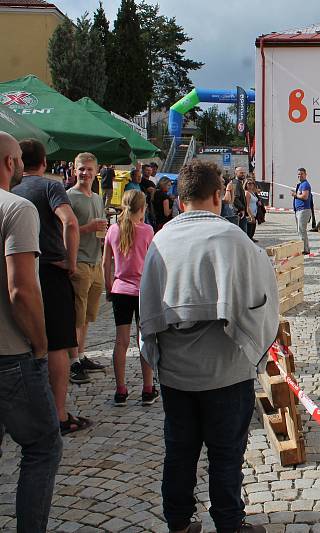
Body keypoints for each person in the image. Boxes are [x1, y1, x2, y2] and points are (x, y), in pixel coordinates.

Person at [140, 160, 278, 533]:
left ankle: (179, 523)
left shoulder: (161, 239)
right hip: (226, 371)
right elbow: (262, 300)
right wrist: (254, 351)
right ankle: (230, 524)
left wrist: (156, 357)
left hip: (176, 373)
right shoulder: (234, 238)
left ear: (181, 198)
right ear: (219, 195)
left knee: (180, 452)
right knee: (227, 455)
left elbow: (147, 308)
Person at [0, 132, 63, 533]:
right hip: (11, 353)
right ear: (10, 163)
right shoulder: (17, 208)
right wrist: (41, 344)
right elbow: (21, 289)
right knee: (43, 446)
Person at [12, 139, 91, 435]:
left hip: (17, 272)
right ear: (44, 163)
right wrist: (71, 262)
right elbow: (69, 223)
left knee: (21, 342)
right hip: (50, 270)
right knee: (58, 344)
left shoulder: (10, 189)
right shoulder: (50, 187)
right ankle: (58, 414)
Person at [103, 190, 156, 406]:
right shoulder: (147, 231)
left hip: (120, 289)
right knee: (143, 339)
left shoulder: (113, 230)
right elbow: (153, 263)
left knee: (121, 341)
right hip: (142, 291)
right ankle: (147, 388)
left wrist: (109, 287)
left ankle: (121, 390)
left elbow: (106, 262)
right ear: (142, 208)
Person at [66, 153, 108, 385]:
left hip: (95, 261)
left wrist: (101, 231)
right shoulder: (69, 197)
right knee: (76, 317)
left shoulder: (96, 197)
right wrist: (88, 227)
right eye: (81, 169)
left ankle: (81, 356)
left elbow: (99, 226)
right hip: (79, 261)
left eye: (90, 169)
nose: (85, 173)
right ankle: (72, 362)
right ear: (74, 170)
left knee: (88, 316)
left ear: (96, 171)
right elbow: (65, 231)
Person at [291, 167, 312, 255]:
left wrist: (295, 195)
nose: (300, 176)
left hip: (303, 210)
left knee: (302, 230)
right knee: (301, 230)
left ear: (305, 175)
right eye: (298, 174)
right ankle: (305, 248)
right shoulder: (301, 184)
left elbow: (305, 196)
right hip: (299, 210)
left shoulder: (305, 184)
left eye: (301, 174)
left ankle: (304, 249)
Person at [223, 166, 248, 233]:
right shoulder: (236, 183)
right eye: (241, 173)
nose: (243, 174)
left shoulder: (238, 182)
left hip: (238, 212)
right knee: (242, 234)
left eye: (244, 173)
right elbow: (235, 197)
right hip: (238, 213)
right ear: (236, 173)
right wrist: (241, 209)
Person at [244, 178, 259, 242]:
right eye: (249, 183)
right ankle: (248, 240)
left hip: (254, 212)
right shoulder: (247, 193)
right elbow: (247, 205)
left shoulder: (253, 192)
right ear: (246, 184)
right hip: (250, 213)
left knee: (253, 228)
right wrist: (251, 215)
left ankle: (251, 238)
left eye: (252, 183)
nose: (251, 185)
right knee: (249, 229)